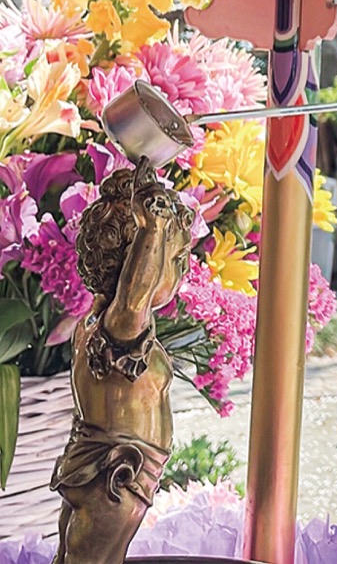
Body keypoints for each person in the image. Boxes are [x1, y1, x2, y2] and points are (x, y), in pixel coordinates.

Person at [52, 157, 193, 564]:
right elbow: (135, 298)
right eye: (178, 260)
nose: (182, 271)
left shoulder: (94, 323)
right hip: (116, 481)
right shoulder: (120, 328)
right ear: (142, 264)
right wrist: (153, 227)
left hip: (103, 472)